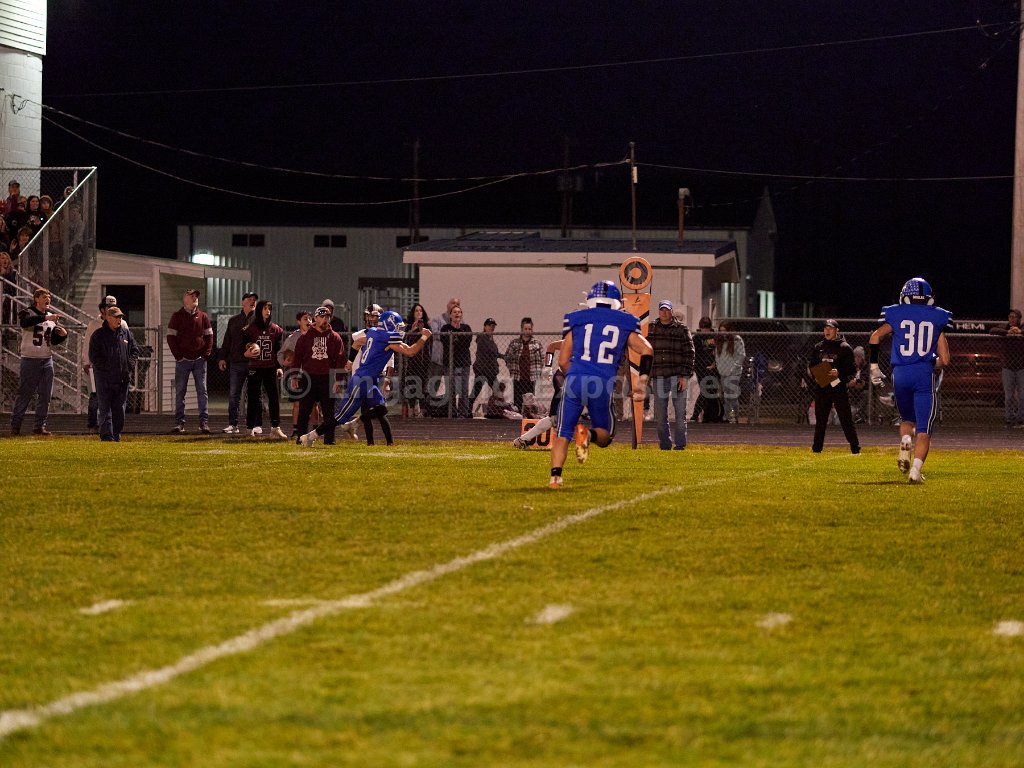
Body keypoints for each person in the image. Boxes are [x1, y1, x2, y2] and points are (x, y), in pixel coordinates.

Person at [548, 281, 653, 488]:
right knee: (606, 435)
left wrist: (575, 376)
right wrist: (641, 382)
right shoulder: (625, 321)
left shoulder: (576, 319)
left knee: (562, 433)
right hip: (602, 382)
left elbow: (563, 360)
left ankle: (555, 478)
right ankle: (588, 434)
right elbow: (647, 349)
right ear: (616, 302)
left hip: (575, 379)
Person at [300, 311, 431, 447]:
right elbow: (411, 351)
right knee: (340, 417)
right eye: (397, 326)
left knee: (381, 409)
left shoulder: (373, 332)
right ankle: (310, 436)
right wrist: (424, 337)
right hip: (362, 380)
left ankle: (354, 423)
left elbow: (357, 343)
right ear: (388, 325)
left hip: (369, 380)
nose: (399, 330)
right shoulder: (386, 337)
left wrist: (350, 362)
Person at [868, 277, 952, 484]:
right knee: (924, 429)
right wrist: (929, 361)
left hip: (900, 374)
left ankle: (906, 439)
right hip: (923, 373)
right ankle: (915, 471)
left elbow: (875, 337)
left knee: (907, 420)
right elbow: (945, 360)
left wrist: (874, 367)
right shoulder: (938, 317)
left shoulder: (895, 313)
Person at [10, 288, 67, 435]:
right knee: (25, 393)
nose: (47, 299)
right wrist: (46, 318)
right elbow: (25, 323)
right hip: (30, 359)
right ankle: (16, 426)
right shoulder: (28, 312)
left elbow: (51, 340)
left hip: (46, 359)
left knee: (45, 394)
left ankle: (39, 426)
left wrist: (62, 335)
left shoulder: (50, 316)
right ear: (36, 299)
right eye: (44, 297)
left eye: (49, 297)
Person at [292, 306, 345, 445]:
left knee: (329, 412)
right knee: (304, 410)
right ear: (315, 318)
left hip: (328, 378)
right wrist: (294, 376)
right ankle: (301, 438)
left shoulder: (335, 337)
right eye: (322, 317)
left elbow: (340, 360)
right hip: (308, 377)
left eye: (327, 317)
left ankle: (329, 439)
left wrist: (338, 380)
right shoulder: (305, 337)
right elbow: (297, 357)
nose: (325, 319)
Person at [647, 299, 695, 450]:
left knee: (680, 414)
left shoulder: (681, 329)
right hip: (659, 376)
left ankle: (680, 444)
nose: (665, 313)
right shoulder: (651, 328)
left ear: (672, 311)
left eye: (667, 310)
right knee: (660, 416)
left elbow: (689, 353)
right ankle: (665, 444)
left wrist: (685, 376)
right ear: (659, 311)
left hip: (677, 376)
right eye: (662, 310)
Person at [808, 319, 861, 454]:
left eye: (831, 328)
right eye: (826, 328)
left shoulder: (844, 348)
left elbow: (852, 369)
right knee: (821, 420)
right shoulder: (818, 347)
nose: (827, 331)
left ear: (837, 331)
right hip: (822, 387)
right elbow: (812, 366)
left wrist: (839, 372)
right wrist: (817, 376)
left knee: (845, 419)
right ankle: (816, 449)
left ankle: (855, 449)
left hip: (838, 388)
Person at [88, 305, 139, 442]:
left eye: (120, 317)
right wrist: (107, 368)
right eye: (116, 317)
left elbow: (134, 350)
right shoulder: (98, 335)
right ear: (108, 318)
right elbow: (94, 356)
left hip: (122, 379)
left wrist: (129, 365)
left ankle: (116, 435)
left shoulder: (126, 334)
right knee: (105, 409)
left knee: (119, 410)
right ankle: (107, 436)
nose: (119, 319)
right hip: (104, 379)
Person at [166, 288, 213, 434]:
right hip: (183, 361)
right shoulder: (177, 316)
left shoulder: (203, 316)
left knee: (202, 391)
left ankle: (203, 423)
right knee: (180, 392)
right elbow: (171, 337)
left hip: (199, 361)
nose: (195, 298)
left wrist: (205, 355)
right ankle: (179, 423)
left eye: (196, 296)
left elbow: (209, 336)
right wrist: (179, 356)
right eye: (191, 296)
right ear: (185, 299)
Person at [243, 299, 286, 438]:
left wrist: (279, 367)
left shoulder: (275, 330)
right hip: (255, 367)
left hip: (270, 367)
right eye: (265, 308)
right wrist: (246, 352)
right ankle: (250, 428)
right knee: (253, 398)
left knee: (273, 397)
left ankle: (275, 427)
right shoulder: (250, 329)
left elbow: (278, 350)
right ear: (259, 309)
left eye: (269, 309)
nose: (268, 311)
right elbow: (242, 346)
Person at [83, 295, 126, 431]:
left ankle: (110, 425)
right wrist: (86, 361)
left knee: (115, 398)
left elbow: (129, 345)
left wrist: (127, 364)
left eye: (114, 307)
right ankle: (93, 423)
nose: (111, 309)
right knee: (95, 395)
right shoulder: (94, 325)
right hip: (98, 366)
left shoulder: (123, 324)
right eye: (109, 307)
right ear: (102, 309)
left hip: (116, 369)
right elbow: (87, 344)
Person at [513, 338, 565, 448]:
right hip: (564, 378)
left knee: (556, 417)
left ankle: (524, 439)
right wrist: (548, 366)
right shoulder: (576, 341)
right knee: (555, 416)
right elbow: (552, 346)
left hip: (577, 381)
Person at [218, 291, 258, 434]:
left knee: (255, 394)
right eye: (250, 299)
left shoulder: (259, 320)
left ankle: (255, 424)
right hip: (236, 362)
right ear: (243, 302)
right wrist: (222, 357)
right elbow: (227, 340)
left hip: (254, 363)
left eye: (254, 300)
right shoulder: (234, 320)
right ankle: (232, 424)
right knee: (234, 394)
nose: (253, 301)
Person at [279, 309, 312, 438]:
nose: (309, 321)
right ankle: (296, 429)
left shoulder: (315, 335)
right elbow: (281, 353)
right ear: (299, 322)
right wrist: (285, 362)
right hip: (298, 374)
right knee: (297, 403)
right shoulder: (293, 338)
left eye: (310, 318)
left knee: (314, 405)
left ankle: (315, 430)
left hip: (312, 372)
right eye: (305, 319)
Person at [989, 309, 1024, 428]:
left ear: (1019, 319)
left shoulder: (1022, 327)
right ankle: (1009, 419)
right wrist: (1008, 332)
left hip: (1021, 367)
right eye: (1010, 317)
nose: (1012, 319)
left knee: (1022, 396)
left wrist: (1019, 332)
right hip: (1008, 367)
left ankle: (1021, 419)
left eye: (1014, 317)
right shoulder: (1005, 327)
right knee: (1009, 396)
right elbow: (992, 330)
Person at [504, 316, 544, 415]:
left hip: (531, 376)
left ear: (532, 330)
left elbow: (542, 358)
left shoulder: (537, 344)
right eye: (525, 329)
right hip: (518, 376)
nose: (527, 331)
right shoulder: (515, 343)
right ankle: (518, 416)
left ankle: (529, 415)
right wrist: (511, 368)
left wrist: (539, 370)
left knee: (530, 399)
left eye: (529, 329)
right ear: (522, 329)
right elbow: (507, 357)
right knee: (517, 398)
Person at [439, 305, 473, 417]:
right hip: (449, 363)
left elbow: (466, 343)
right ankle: (452, 412)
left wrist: (453, 339)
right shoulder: (445, 328)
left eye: (459, 312)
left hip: (464, 363)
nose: (457, 314)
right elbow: (445, 342)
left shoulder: (466, 328)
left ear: (461, 315)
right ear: (450, 315)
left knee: (463, 389)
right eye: (454, 312)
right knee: (451, 389)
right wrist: (457, 340)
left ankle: (463, 413)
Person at [427, 297, 459, 413]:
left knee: (452, 386)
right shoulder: (438, 319)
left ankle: (452, 410)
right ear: (447, 305)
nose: (455, 305)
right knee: (433, 384)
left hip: (451, 360)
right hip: (438, 359)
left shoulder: (460, 322)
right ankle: (428, 409)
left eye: (457, 304)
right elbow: (435, 334)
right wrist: (450, 336)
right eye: (453, 303)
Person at [689, 316, 722, 423]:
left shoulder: (714, 337)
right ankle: (697, 414)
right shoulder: (696, 338)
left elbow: (717, 352)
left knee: (712, 391)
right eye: (703, 328)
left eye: (706, 328)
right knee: (705, 390)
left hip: (713, 368)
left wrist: (714, 363)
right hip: (701, 368)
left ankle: (710, 415)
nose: (705, 330)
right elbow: (693, 354)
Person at [400, 302, 430, 417]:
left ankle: (422, 409)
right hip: (411, 360)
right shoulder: (408, 327)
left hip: (423, 360)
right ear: (413, 313)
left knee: (423, 385)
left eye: (420, 310)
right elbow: (405, 340)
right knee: (411, 384)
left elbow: (429, 342)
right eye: (416, 310)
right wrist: (413, 330)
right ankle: (411, 407)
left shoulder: (427, 327)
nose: (419, 312)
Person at [469, 317, 502, 415]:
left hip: (489, 370)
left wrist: (502, 356)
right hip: (483, 369)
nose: (492, 328)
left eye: (493, 326)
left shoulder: (490, 338)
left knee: (478, 390)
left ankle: (496, 410)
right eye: (489, 326)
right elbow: (490, 351)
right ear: (485, 326)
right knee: (479, 390)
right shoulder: (482, 337)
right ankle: (467, 409)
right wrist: (498, 355)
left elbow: (494, 353)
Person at [714, 321, 745, 423]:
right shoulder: (720, 341)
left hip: (734, 373)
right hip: (723, 372)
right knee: (726, 396)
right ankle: (728, 415)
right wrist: (719, 367)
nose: (723, 333)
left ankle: (732, 415)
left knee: (732, 396)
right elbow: (717, 355)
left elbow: (741, 355)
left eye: (725, 331)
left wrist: (734, 368)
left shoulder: (737, 339)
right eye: (721, 331)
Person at [0, 250, 16, 325]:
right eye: (3, 258)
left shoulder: (13, 272)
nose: (5, 260)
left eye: (7, 258)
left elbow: (12, 284)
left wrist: (4, 274)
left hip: (9, 296)